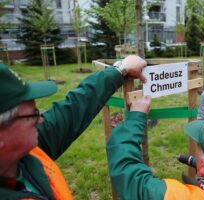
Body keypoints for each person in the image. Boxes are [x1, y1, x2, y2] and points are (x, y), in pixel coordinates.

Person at [0, 55, 146, 199]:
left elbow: (73, 110)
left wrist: (120, 69)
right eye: (32, 116)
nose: (40, 121)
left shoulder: (28, 152)